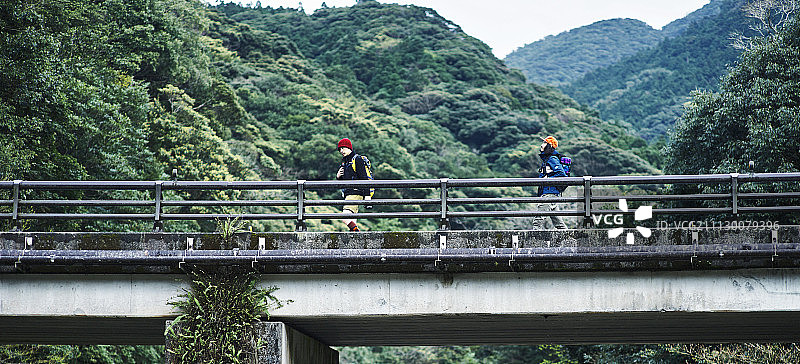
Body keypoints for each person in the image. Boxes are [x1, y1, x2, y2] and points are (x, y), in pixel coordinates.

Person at [336, 138, 372, 231]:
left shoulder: (357, 159)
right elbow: (344, 182)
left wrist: (367, 196)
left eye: (343, 148)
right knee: (352, 219)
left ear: (349, 148)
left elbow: (364, 178)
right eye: (339, 149)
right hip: (349, 193)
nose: (341, 151)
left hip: (356, 193)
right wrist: (339, 177)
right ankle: (356, 237)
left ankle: (357, 232)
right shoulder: (345, 162)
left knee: (344, 217)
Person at [535, 136, 567, 230]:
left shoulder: (552, 159)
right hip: (551, 193)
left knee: (537, 221)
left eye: (544, 143)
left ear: (549, 146)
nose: (541, 145)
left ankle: (534, 243)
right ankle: (571, 241)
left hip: (549, 193)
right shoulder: (547, 159)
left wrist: (548, 180)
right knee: (559, 224)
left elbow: (561, 174)